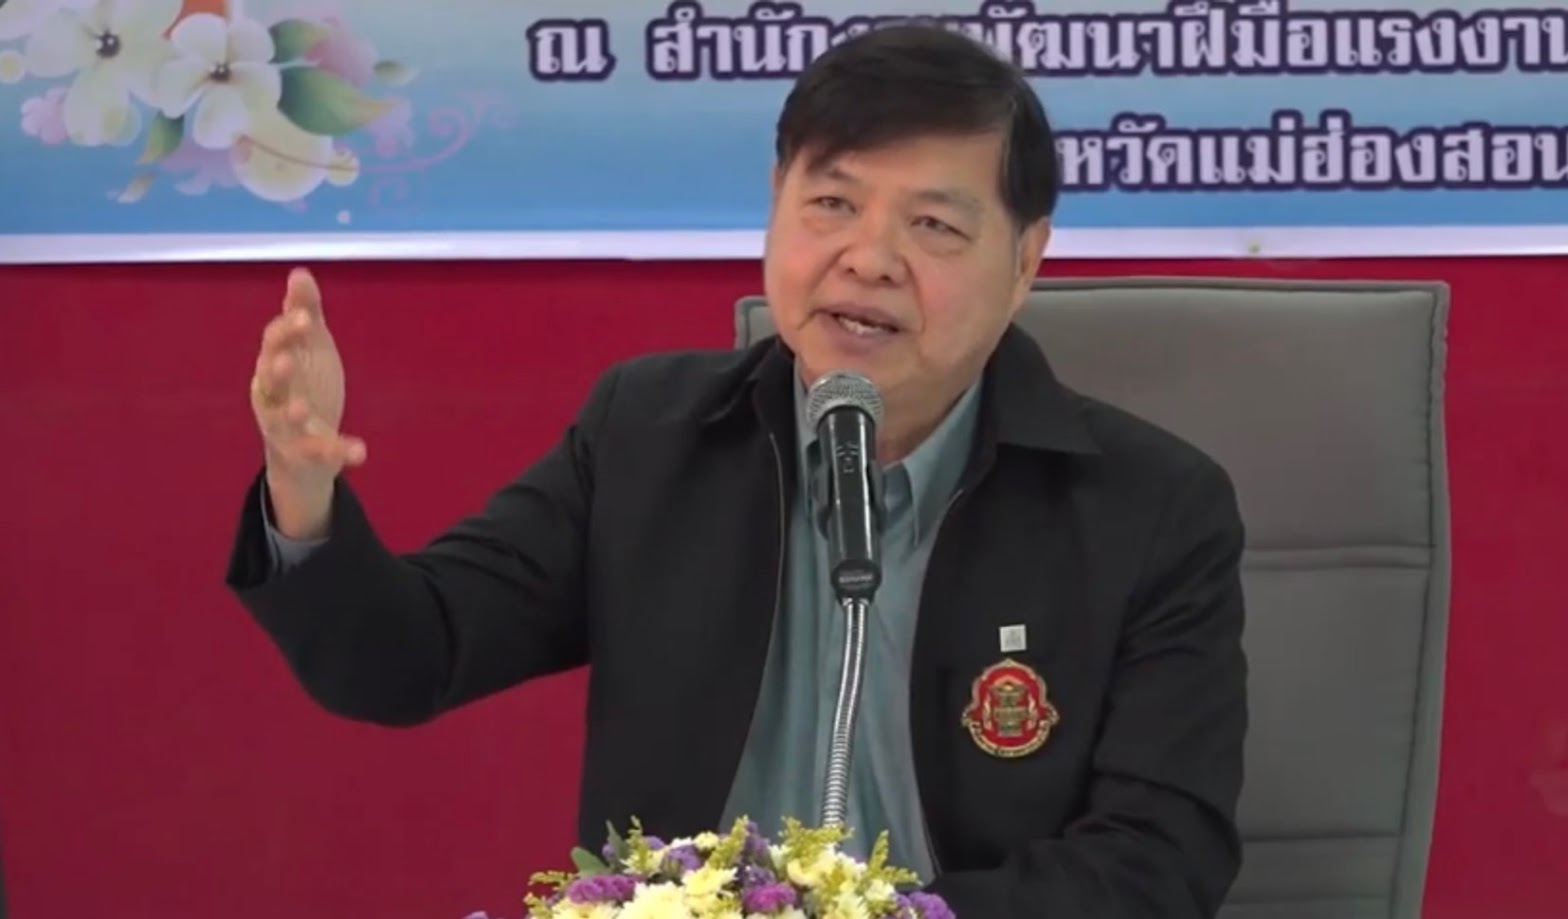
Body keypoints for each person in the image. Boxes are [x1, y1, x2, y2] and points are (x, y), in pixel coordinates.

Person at [227, 22, 1248, 919]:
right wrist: (302, 496)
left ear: (1025, 261)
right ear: (775, 207)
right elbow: (407, 657)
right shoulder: (649, 436)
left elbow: (1158, 863)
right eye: (832, 202)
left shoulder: (1148, 508)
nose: (868, 258)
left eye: (933, 225)